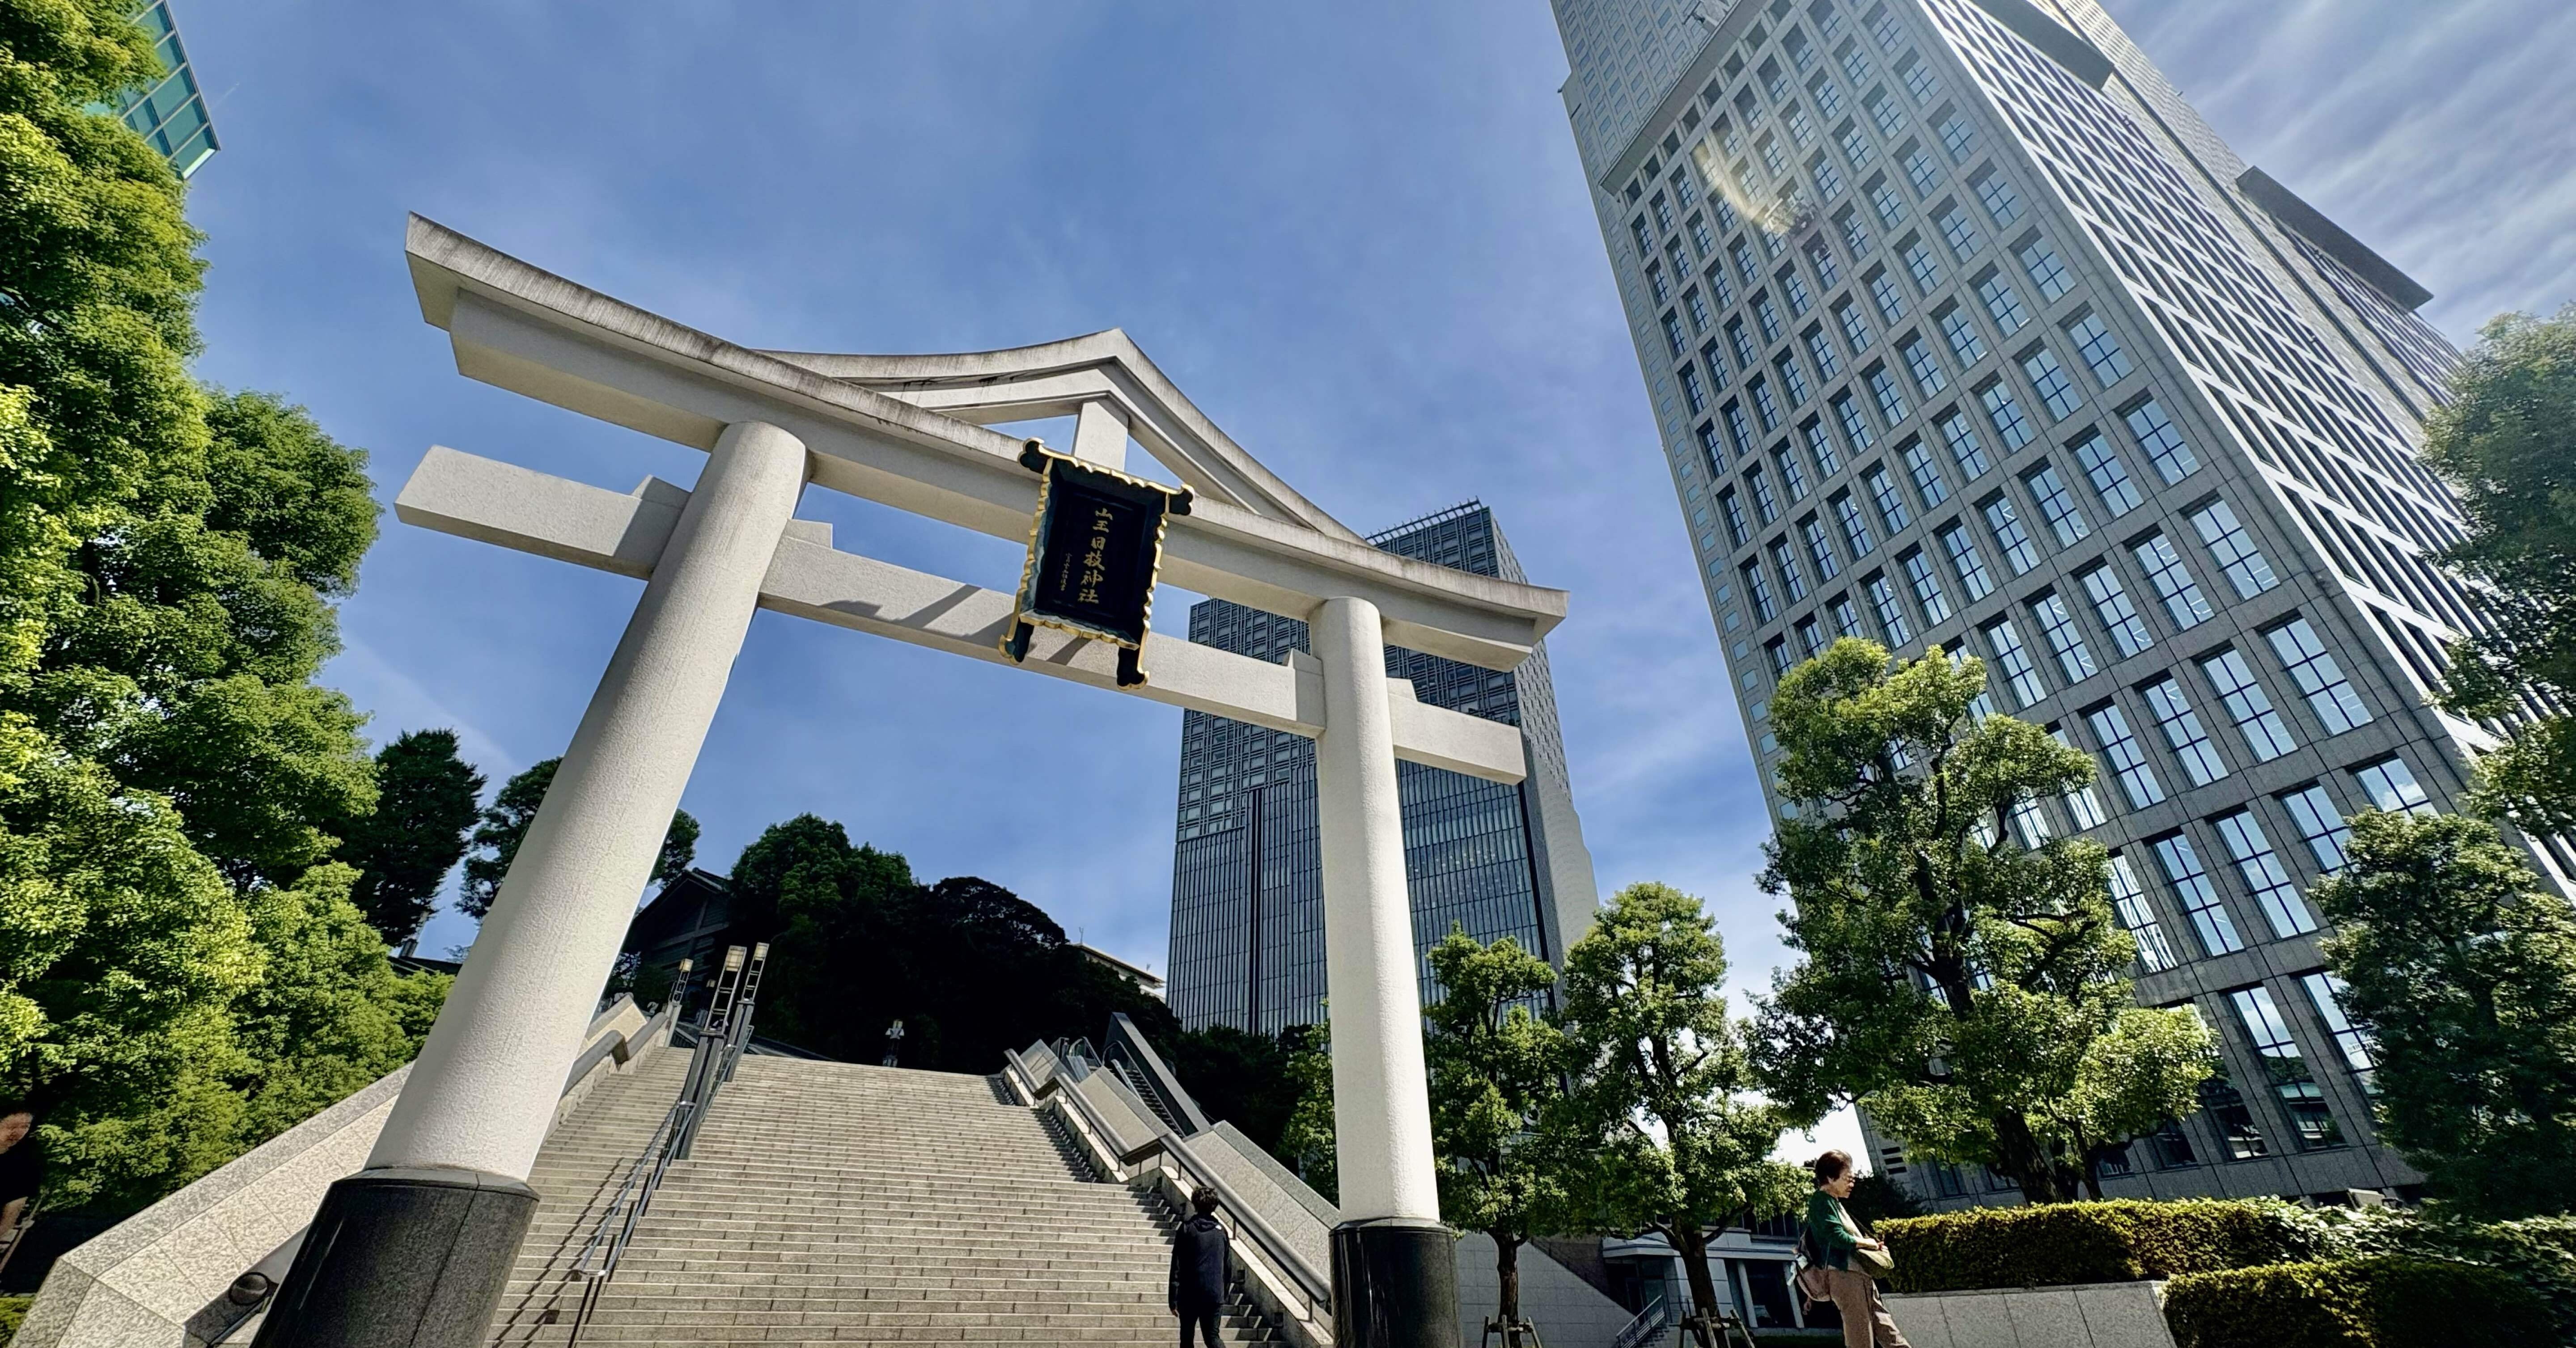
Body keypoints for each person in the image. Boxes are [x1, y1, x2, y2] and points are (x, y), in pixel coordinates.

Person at [1806, 1150, 1909, 1348]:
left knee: (1888, 1330)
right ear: (1830, 1178)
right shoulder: (1821, 1202)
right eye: (1848, 1178)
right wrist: (1868, 1243)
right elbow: (1837, 1237)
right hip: (1845, 1277)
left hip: (1859, 1275)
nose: (1852, 1183)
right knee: (1860, 1336)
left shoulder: (1834, 1203)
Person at [1167, 1185, 1229, 1348]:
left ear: (1195, 1204)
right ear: (1215, 1206)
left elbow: (1177, 1266)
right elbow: (1227, 1266)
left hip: (1189, 1293)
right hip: (1214, 1293)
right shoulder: (1221, 1231)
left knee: (1187, 1337)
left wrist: (1173, 1299)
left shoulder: (1187, 1229)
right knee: (1213, 1338)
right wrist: (1224, 1293)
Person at [0, 1104, 39, 1256]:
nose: (17, 1133)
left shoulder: (22, 1167)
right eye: (11, 1127)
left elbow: (12, 1212)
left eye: (25, 1127)